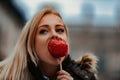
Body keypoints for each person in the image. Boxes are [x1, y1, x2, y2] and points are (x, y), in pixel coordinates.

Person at [0, 6, 98, 80]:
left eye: (59, 30)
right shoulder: (5, 76)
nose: (54, 35)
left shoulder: (86, 77)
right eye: (44, 31)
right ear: (31, 43)